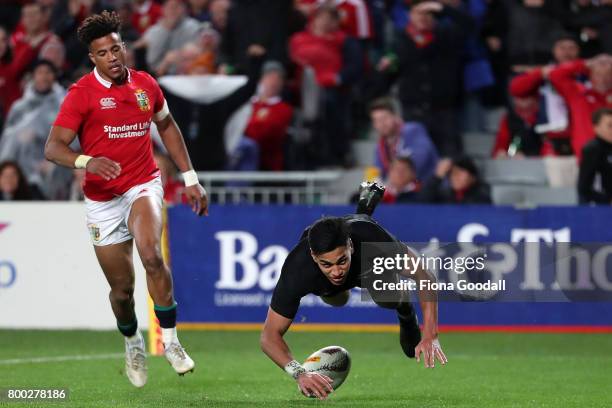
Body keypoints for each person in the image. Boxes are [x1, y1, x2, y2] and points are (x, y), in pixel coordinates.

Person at [44, 11, 208, 388]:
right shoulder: (81, 94)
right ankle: (132, 340)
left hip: (142, 183)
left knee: (152, 254)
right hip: (102, 200)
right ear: (93, 58)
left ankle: (170, 341)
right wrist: (87, 161)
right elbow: (53, 148)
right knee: (121, 291)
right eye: (104, 52)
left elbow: (166, 125)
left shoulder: (146, 85)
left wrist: (191, 178)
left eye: (117, 48)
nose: (114, 57)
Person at [260, 184, 447, 400]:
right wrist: (299, 373)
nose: (336, 271)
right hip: (328, 283)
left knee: (387, 299)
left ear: (350, 246)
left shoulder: (373, 241)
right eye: (326, 264)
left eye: (341, 261)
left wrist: (430, 333)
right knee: (337, 300)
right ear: (313, 256)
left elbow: (424, 276)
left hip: (365, 264)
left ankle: (404, 309)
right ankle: (363, 207)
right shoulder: (298, 268)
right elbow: (268, 336)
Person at [549, 53, 612, 159]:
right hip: (586, 156)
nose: (603, 79)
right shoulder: (578, 94)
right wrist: (586, 63)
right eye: (598, 74)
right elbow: (555, 75)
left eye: (608, 74)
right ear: (590, 75)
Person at [369, 97, 438, 181]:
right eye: (377, 120)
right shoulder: (380, 146)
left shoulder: (413, 130)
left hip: (428, 187)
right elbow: (376, 174)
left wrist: (392, 182)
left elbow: (417, 163)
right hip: (404, 190)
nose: (382, 124)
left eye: (385, 118)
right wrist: (367, 194)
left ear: (395, 117)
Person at [244, 61, 293, 171]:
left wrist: (250, 123)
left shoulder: (284, 108)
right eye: (269, 77)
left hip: (268, 164)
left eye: (277, 79)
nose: (273, 82)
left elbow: (267, 133)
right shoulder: (248, 103)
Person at [420, 157, 491, 204]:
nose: (455, 177)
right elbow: (422, 203)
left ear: (472, 177)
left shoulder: (482, 194)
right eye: (452, 174)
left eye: (459, 173)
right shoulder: (445, 195)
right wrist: (437, 177)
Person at [578, 108, 612, 204]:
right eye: (609, 125)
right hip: (599, 208)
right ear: (596, 128)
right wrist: (608, 200)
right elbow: (584, 188)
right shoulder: (593, 149)